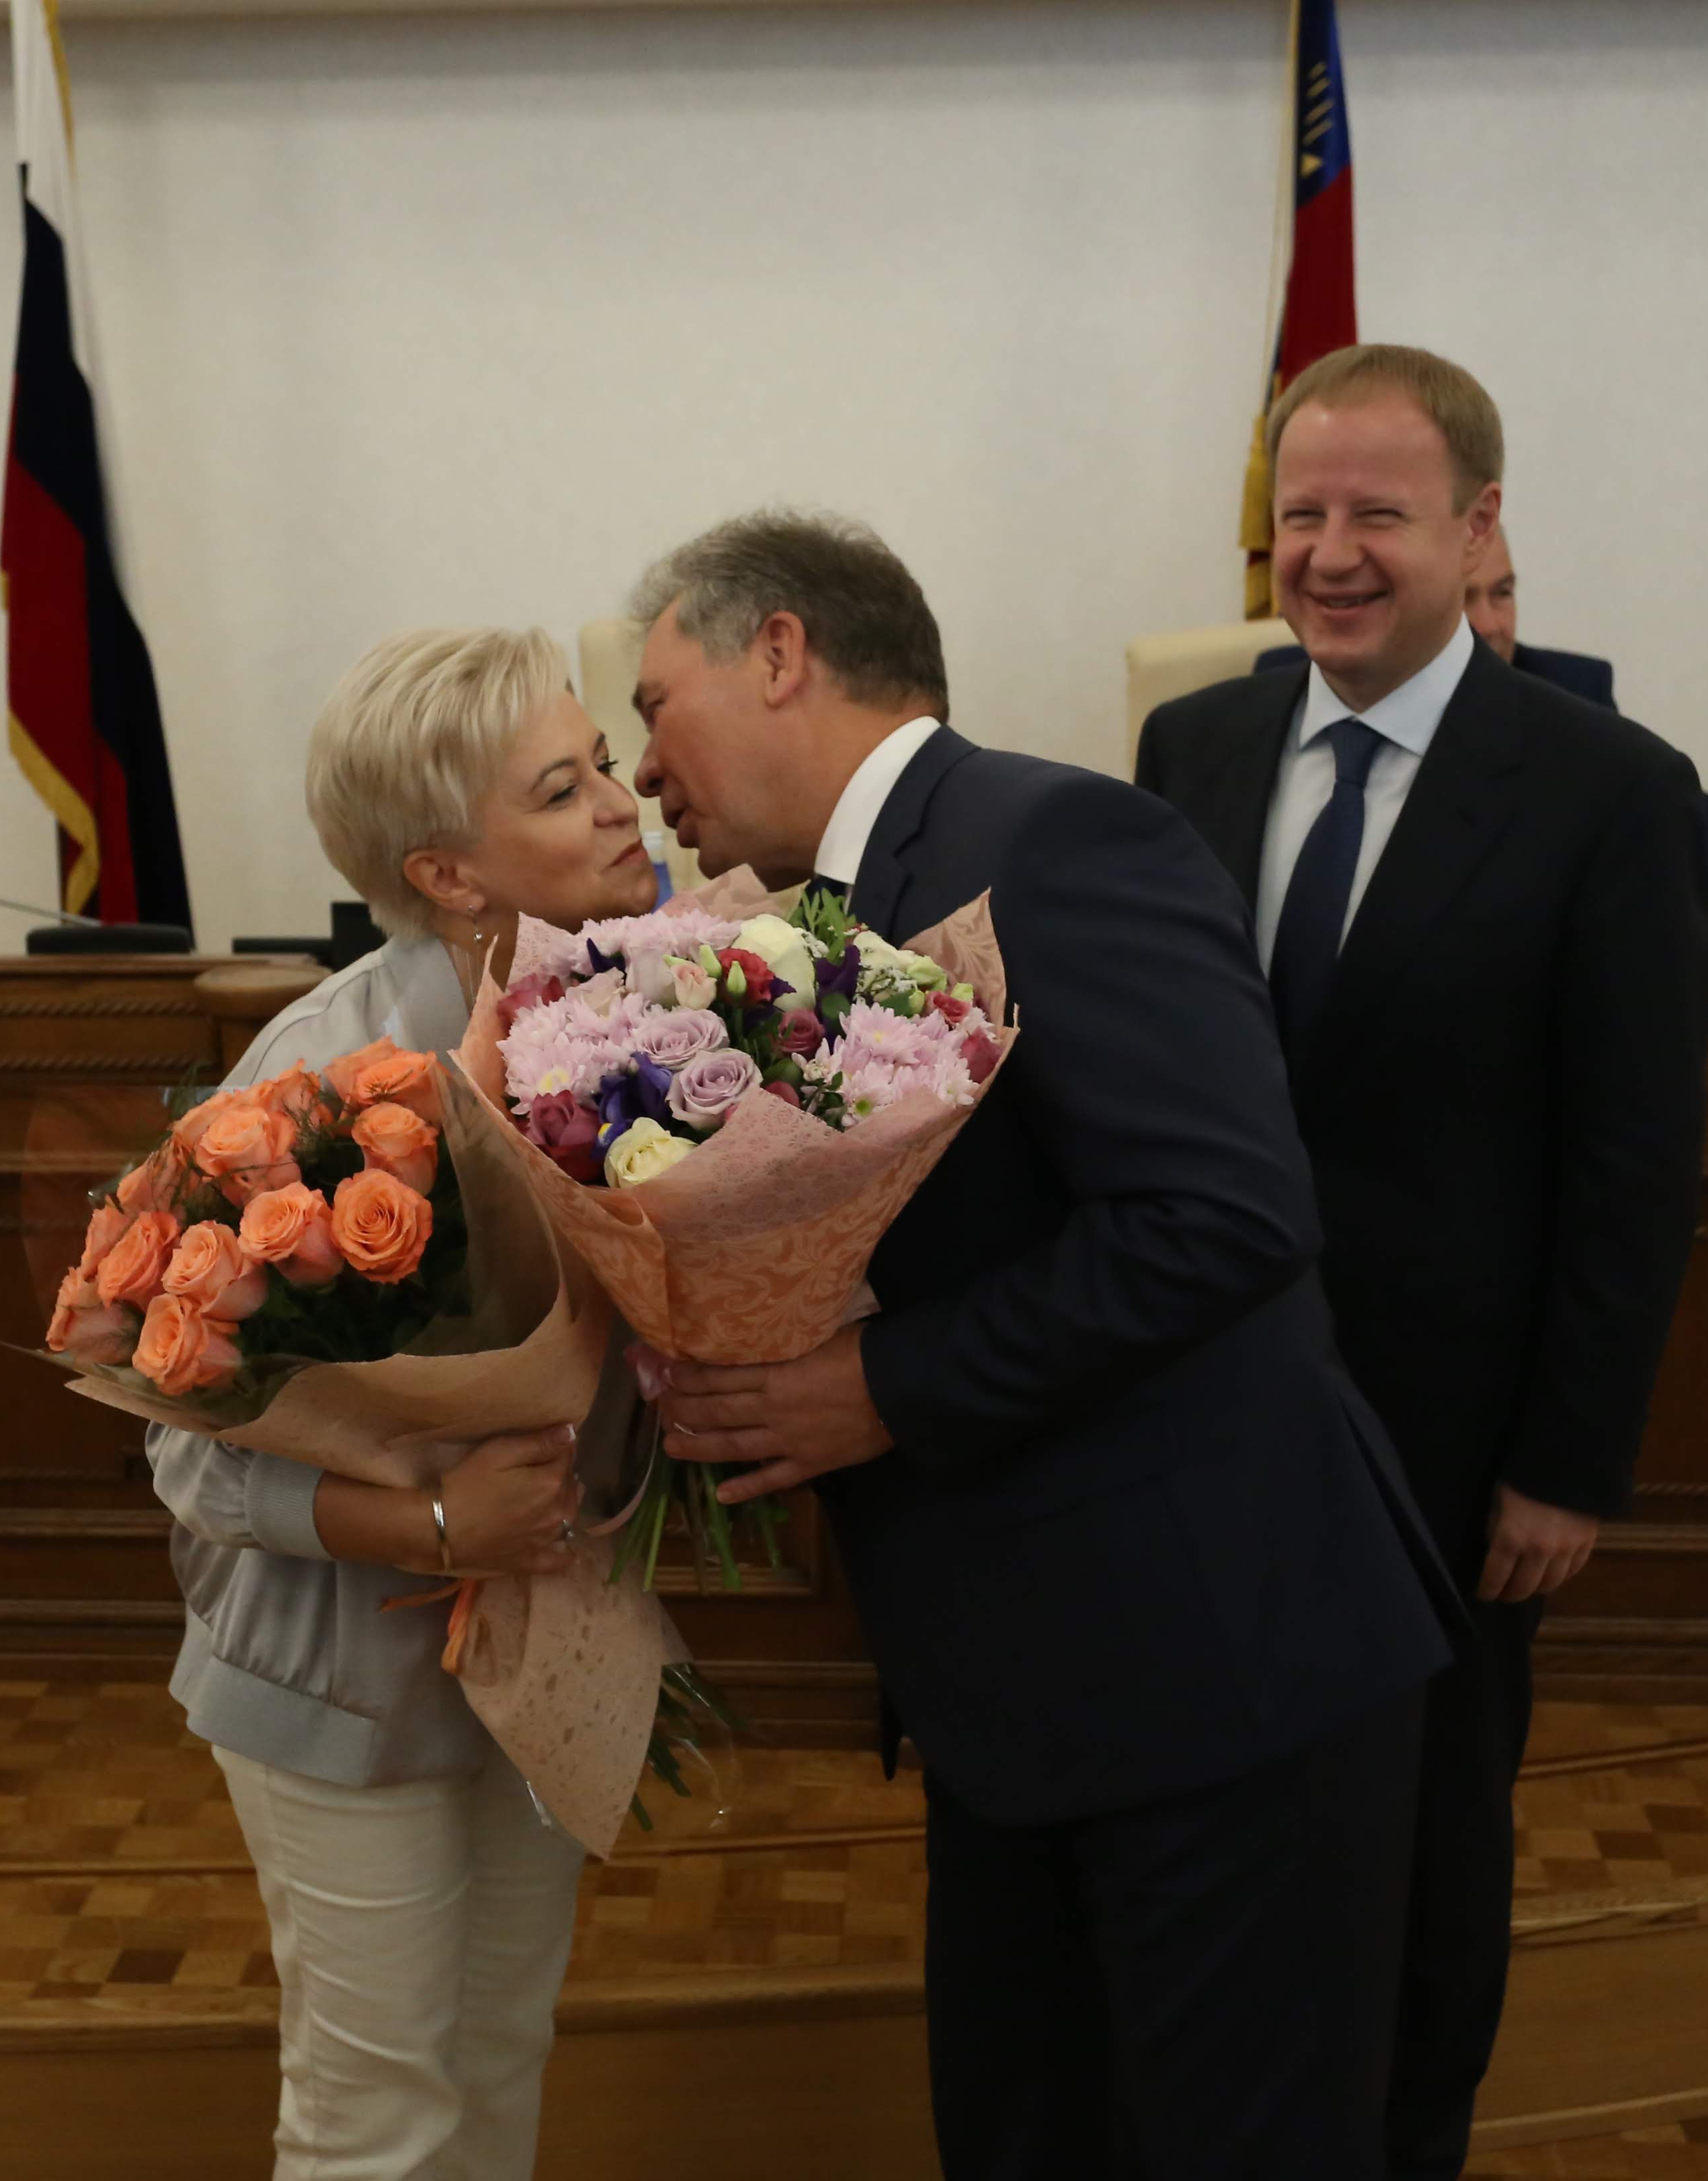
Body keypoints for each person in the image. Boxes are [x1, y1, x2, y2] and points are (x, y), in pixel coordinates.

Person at [627, 510, 1451, 2178]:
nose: (643, 769)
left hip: (1217, 1674)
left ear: (778, 653)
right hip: (1027, 1690)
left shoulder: (1053, 835)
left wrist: (877, 1386)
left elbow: (1223, 1213)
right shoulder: (805, 920)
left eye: (653, 707)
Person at [1136, 345, 1708, 2181]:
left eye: (1376, 513)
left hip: (1453, 1452)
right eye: (1300, 513)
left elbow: (1635, 1162)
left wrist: (1567, 1458)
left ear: (1476, 528)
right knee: (1215, 1823)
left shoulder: (1610, 791)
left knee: (1427, 1847)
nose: (1328, 553)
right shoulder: (1191, 750)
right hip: (1194, 1418)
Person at [146, 626, 659, 2181]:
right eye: (563, 790)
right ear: (447, 872)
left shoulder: (649, 1024)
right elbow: (188, 1463)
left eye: (607, 765)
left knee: (497, 2067)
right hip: (339, 1678)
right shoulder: (314, 1089)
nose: (623, 803)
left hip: (538, 1644)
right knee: (377, 2125)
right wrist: (436, 1516)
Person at [1260, 528, 1708, 932]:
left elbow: (1671, 817)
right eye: (1464, 599)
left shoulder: (1563, 693)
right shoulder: (1286, 689)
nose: (1492, 625)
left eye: (1503, 593)